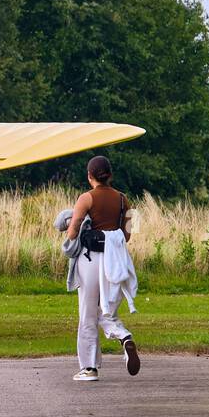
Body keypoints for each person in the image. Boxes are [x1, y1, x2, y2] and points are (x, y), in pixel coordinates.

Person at [65, 155, 140, 383]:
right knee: (106, 311)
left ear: (90, 176)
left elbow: (72, 232)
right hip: (116, 260)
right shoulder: (123, 199)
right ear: (110, 175)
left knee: (88, 314)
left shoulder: (85, 198)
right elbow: (129, 232)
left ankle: (89, 368)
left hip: (91, 259)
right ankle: (124, 336)